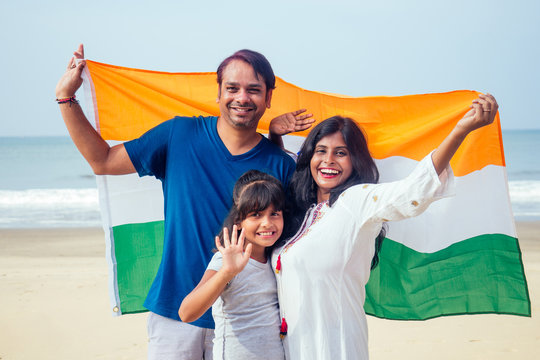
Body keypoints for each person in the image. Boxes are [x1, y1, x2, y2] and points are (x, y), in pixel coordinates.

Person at [55, 44, 313, 359]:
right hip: (176, 311)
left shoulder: (281, 164)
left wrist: (275, 138)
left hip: (246, 319)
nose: (242, 97)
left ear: (268, 97)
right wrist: (66, 99)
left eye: (254, 90)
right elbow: (103, 161)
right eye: (232, 88)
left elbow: (294, 240)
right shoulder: (179, 134)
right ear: (218, 93)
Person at [270, 94, 498, 359]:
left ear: (355, 160)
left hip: (336, 348)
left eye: (341, 153)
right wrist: (275, 135)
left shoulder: (357, 201)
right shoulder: (301, 213)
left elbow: (413, 191)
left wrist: (460, 130)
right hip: (291, 349)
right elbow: (279, 175)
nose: (328, 160)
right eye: (321, 151)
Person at [179, 170, 287, 360]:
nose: (267, 223)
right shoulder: (226, 260)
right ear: (239, 220)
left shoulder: (276, 259)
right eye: (256, 214)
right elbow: (187, 312)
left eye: (274, 214)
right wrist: (227, 272)